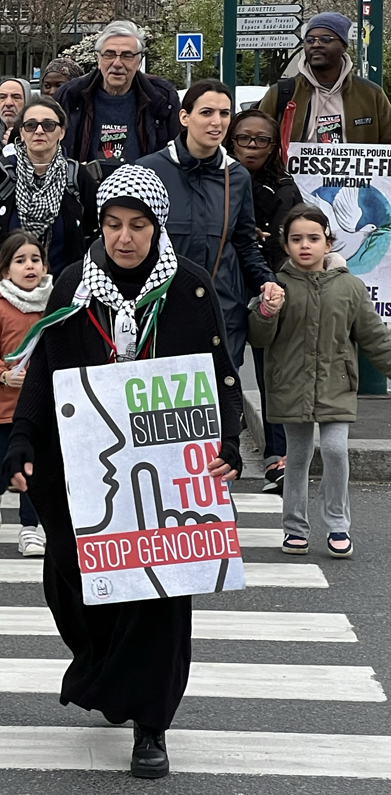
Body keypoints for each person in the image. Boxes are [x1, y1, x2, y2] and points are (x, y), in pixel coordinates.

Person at [4, 166, 245, 778]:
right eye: (113, 225)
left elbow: (217, 377)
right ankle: (108, 670)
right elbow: (44, 369)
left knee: (158, 594)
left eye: (138, 226)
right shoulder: (72, 286)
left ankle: (151, 724)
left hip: (164, 470)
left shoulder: (189, 289)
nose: (124, 238)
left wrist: (230, 444)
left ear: (157, 227)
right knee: (70, 576)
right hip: (76, 462)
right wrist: (23, 439)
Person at [250, 204, 391, 559]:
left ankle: (338, 524)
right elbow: (259, 338)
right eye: (296, 239)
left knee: (333, 448)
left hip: (336, 384)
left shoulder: (350, 287)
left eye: (314, 238)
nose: (305, 245)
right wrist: (267, 312)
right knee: (295, 456)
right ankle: (294, 528)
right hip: (291, 385)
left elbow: (374, 337)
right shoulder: (277, 286)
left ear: (329, 243)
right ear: (285, 245)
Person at [137, 80, 282, 364]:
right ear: (184, 117)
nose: (217, 122)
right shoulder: (147, 171)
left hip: (222, 313)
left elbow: (245, 245)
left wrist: (268, 281)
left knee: (222, 402)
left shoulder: (237, 176)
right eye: (207, 112)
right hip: (162, 313)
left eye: (225, 113)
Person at [226, 106, 300, 493]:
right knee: (225, 372)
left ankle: (277, 456)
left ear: (273, 147)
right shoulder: (218, 176)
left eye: (261, 140)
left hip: (268, 288)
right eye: (244, 138)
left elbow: (293, 232)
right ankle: (226, 453)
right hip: (224, 286)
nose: (251, 147)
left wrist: (272, 242)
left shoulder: (284, 186)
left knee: (272, 373)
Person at [0, 96, 99, 295]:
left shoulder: (77, 178)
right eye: (31, 125)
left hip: (64, 296)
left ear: (62, 132)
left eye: (49, 125)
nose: (39, 131)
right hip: (4, 294)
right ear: (22, 133)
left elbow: (96, 234)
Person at [0, 231, 49, 555]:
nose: (29, 266)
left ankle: (30, 529)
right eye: (20, 261)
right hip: (3, 406)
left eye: (35, 259)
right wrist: (3, 375)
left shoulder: (56, 304)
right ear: (6, 271)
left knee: (34, 467)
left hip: (41, 407)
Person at [55, 20, 181, 172]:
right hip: (83, 192)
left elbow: (177, 155)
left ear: (139, 61)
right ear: (98, 59)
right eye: (109, 54)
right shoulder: (70, 96)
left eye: (127, 56)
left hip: (142, 191)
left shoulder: (162, 98)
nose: (117, 63)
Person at [257, 12, 391, 144]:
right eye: (310, 40)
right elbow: (258, 141)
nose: (316, 45)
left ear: (343, 46)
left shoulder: (372, 95)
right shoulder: (280, 94)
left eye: (325, 40)